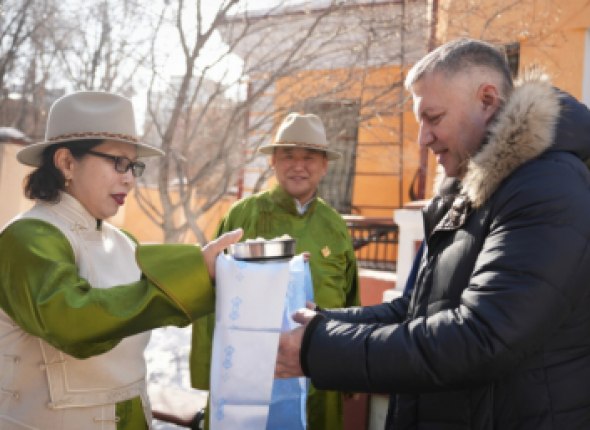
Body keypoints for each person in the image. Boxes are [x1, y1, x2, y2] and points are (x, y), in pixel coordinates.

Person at [275, 37, 590, 429]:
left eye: (434, 117)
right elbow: (415, 311)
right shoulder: (466, 190)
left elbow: (480, 337)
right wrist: (320, 324)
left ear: (487, 100)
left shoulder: (548, 186)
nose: (423, 138)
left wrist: (318, 351)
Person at [0, 91, 242, 429]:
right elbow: (75, 320)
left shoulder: (123, 242)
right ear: (67, 163)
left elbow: (144, 310)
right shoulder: (29, 238)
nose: (129, 178)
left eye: (133, 166)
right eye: (118, 162)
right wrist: (191, 273)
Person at [191, 112, 360, 429]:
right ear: (273, 162)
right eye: (288, 156)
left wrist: (349, 371)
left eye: (309, 158)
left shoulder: (335, 226)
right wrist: (207, 371)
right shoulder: (244, 215)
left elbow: (351, 299)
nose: (298, 165)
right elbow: (210, 291)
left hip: (320, 370)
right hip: (252, 373)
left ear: (324, 165)